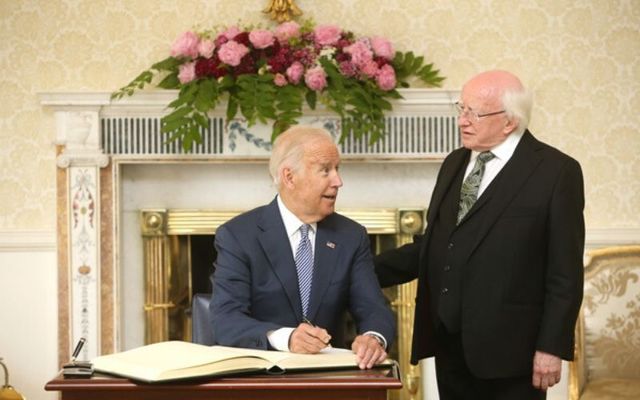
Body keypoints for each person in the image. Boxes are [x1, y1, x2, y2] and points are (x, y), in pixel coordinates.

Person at [375, 70, 585, 399]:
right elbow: (435, 246)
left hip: (513, 355)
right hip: (450, 348)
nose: (462, 121)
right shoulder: (455, 163)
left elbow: (565, 274)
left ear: (510, 121)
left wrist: (550, 347)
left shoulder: (556, 172)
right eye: (461, 109)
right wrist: (359, 269)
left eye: (474, 113)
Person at [210, 125, 396, 369]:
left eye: (337, 169)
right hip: (260, 379)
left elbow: (374, 308)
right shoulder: (238, 236)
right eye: (325, 170)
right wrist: (286, 338)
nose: (338, 181)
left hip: (329, 380)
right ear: (289, 177)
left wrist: (374, 338)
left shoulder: (351, 236)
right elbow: (226, 320)